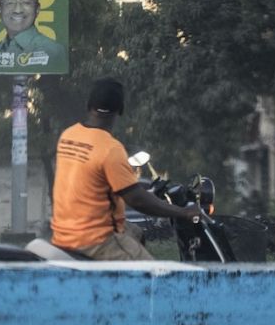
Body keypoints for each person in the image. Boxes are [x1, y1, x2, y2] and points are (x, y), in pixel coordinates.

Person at [50, 78, 204, 261]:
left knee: (136, 232)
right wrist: (183, 212)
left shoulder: (68, 136)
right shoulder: (111, 149)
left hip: (64, 232)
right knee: (158, 278)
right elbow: (137, 200)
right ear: (120, 110)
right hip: (96, 239)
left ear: (88, 105)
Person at [0, 0, 64, 72]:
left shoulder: (53, 52)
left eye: (26, 2)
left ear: (37, 9)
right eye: (10, 3)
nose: (17, 10)